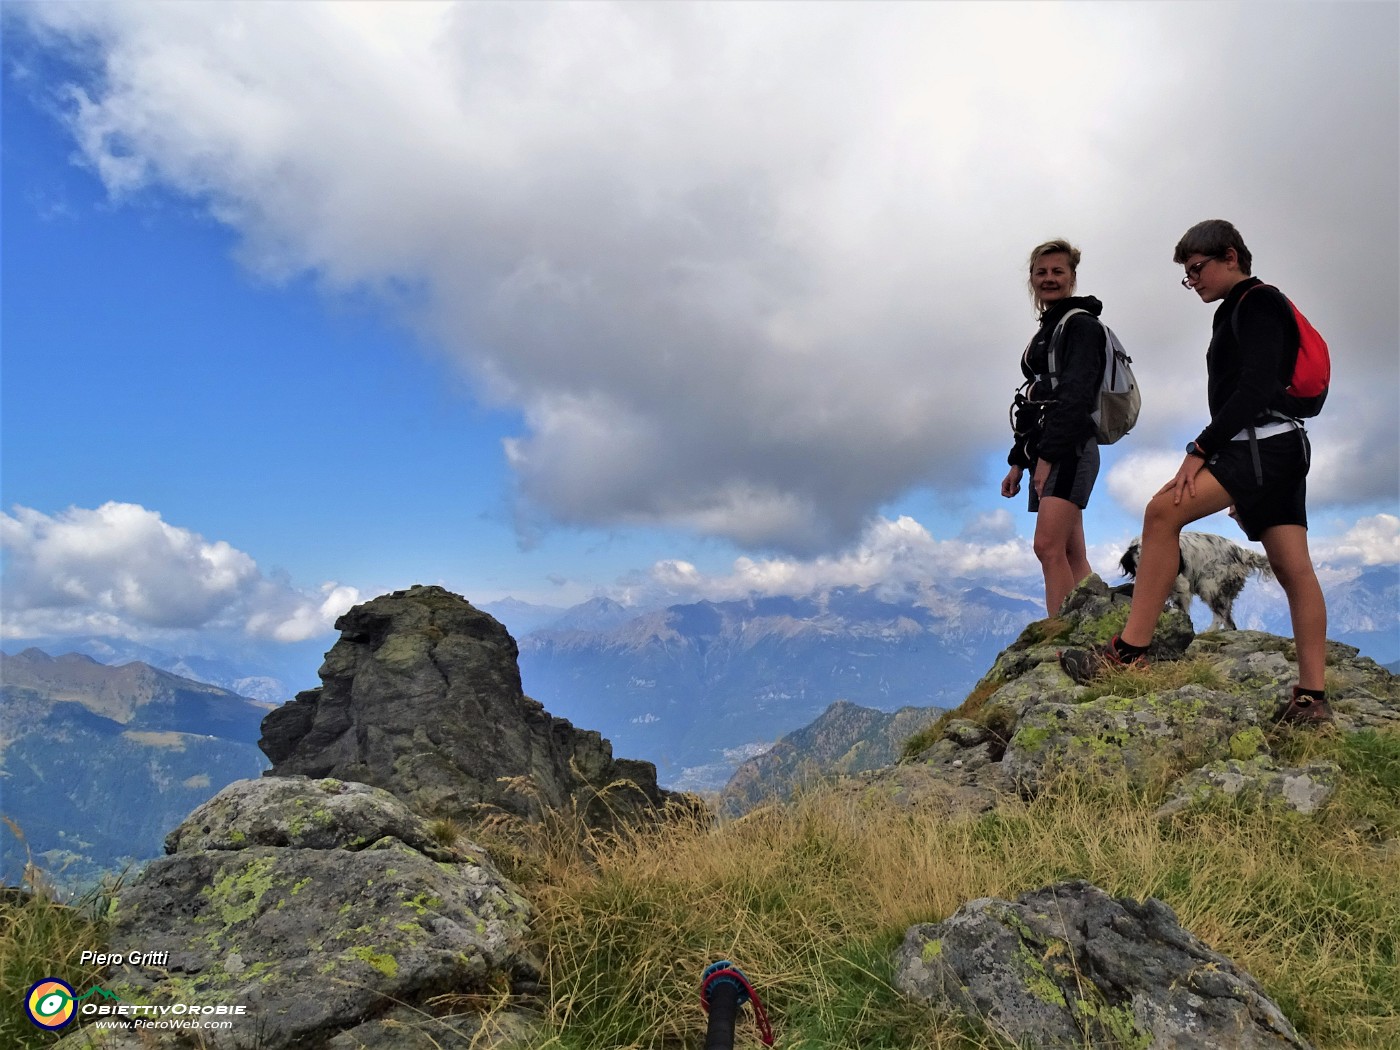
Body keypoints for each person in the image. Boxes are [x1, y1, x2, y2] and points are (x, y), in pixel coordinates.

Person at [1060, 219, 1331, 725]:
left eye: (1197, 269)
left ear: (1230, 256)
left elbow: (1252, 387)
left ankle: (1129, 653)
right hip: (1276, 448)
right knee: (1296, 570)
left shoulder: (1256, 303)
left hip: (1262, 447)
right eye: (1188, 275)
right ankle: (1312, 700)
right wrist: (1242, 477)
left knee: (1161, 513)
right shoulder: (1246, 306)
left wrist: (1201, 451)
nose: (1194, 282)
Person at [1003, 238, 1108, 616]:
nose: (1049, 279)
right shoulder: (1050, 329)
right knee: (1069, 551)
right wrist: (1019, 461)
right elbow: (1036, 401)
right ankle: (1092, 632)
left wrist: (1047, 457)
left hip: (1070, 449)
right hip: (1053, 448)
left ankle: (1061, 638)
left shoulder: (1080, 327)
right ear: (1031, 278)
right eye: (1041, 272)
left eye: (1057, 272)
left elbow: (1076, 398)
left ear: (1072, 278)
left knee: (1047, 547)